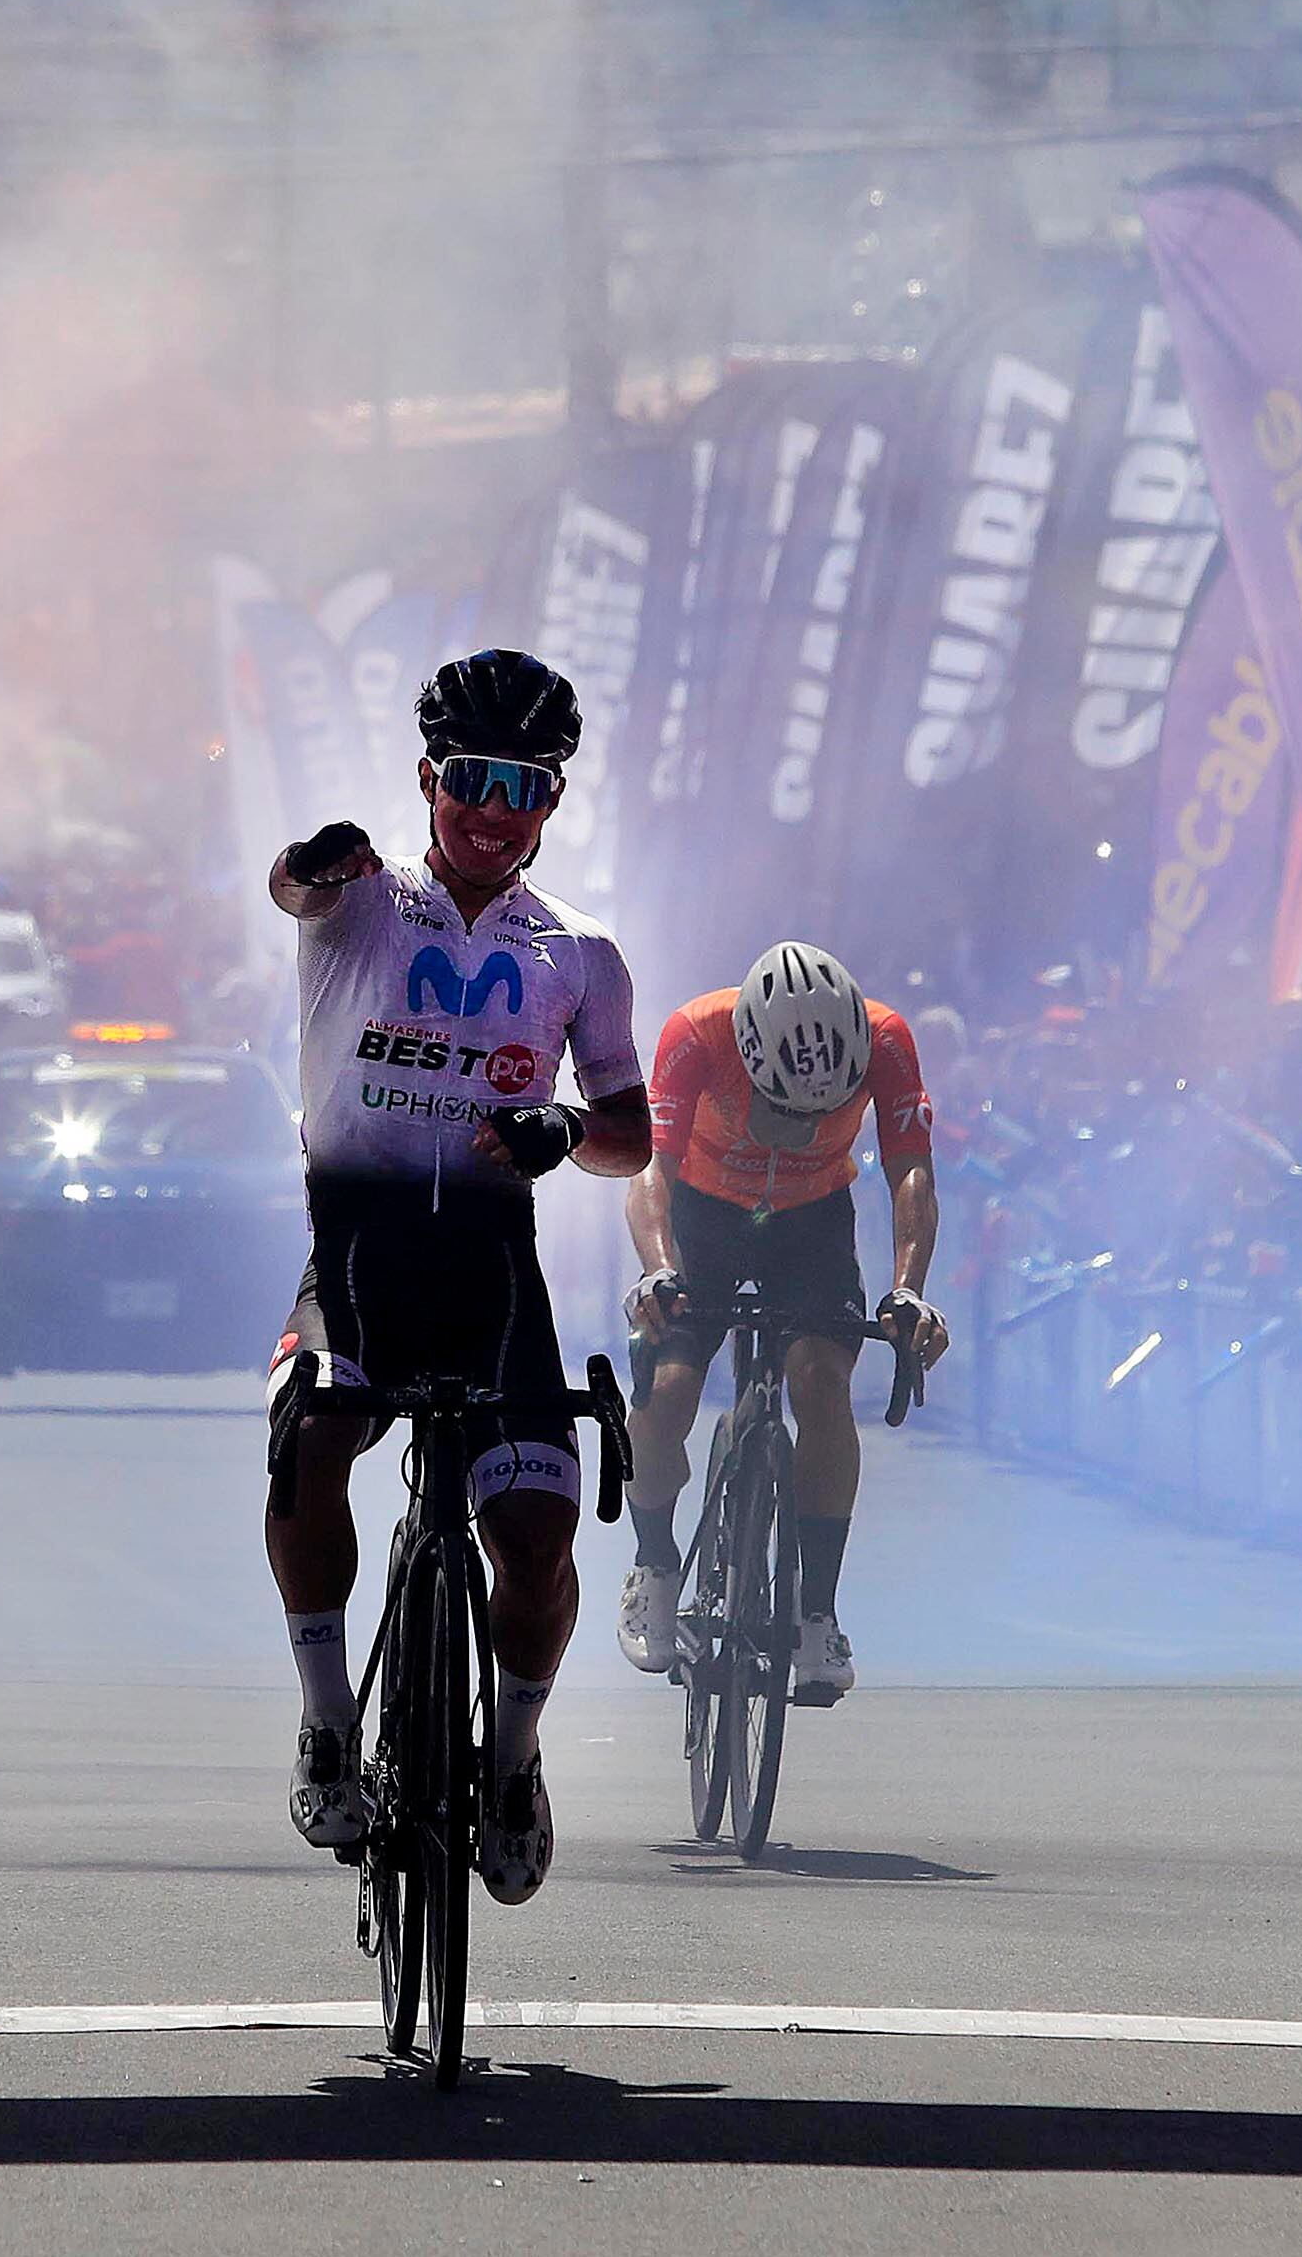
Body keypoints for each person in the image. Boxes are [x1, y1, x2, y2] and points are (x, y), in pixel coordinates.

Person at [261, 648, 651, 1906]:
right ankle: (328, 1719)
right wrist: (315, 859)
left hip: (493, 1278)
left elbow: (631, 1135)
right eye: (468, 780)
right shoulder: (364, 903)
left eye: (522, 786)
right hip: (358, 1254)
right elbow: (293, 888)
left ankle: (516, 1761)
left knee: (534, 1544)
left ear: (551, 801)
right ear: (428, 778)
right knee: (313, 1434)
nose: (491, 810)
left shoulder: (580, 953)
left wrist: (563, 1131)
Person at [612, 940, 950, 1706]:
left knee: (823, 1386)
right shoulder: (697, 1032)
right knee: (665, 1393)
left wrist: (908, 1290)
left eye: (817, 1110)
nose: (793, 1121)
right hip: (703, 1212)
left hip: (811, 1219)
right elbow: (649, 1166)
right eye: (782, 1103)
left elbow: (912, 1170)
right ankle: (657, 1564)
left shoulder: (888, 1038)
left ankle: (816, 1612)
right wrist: (660, 1268)